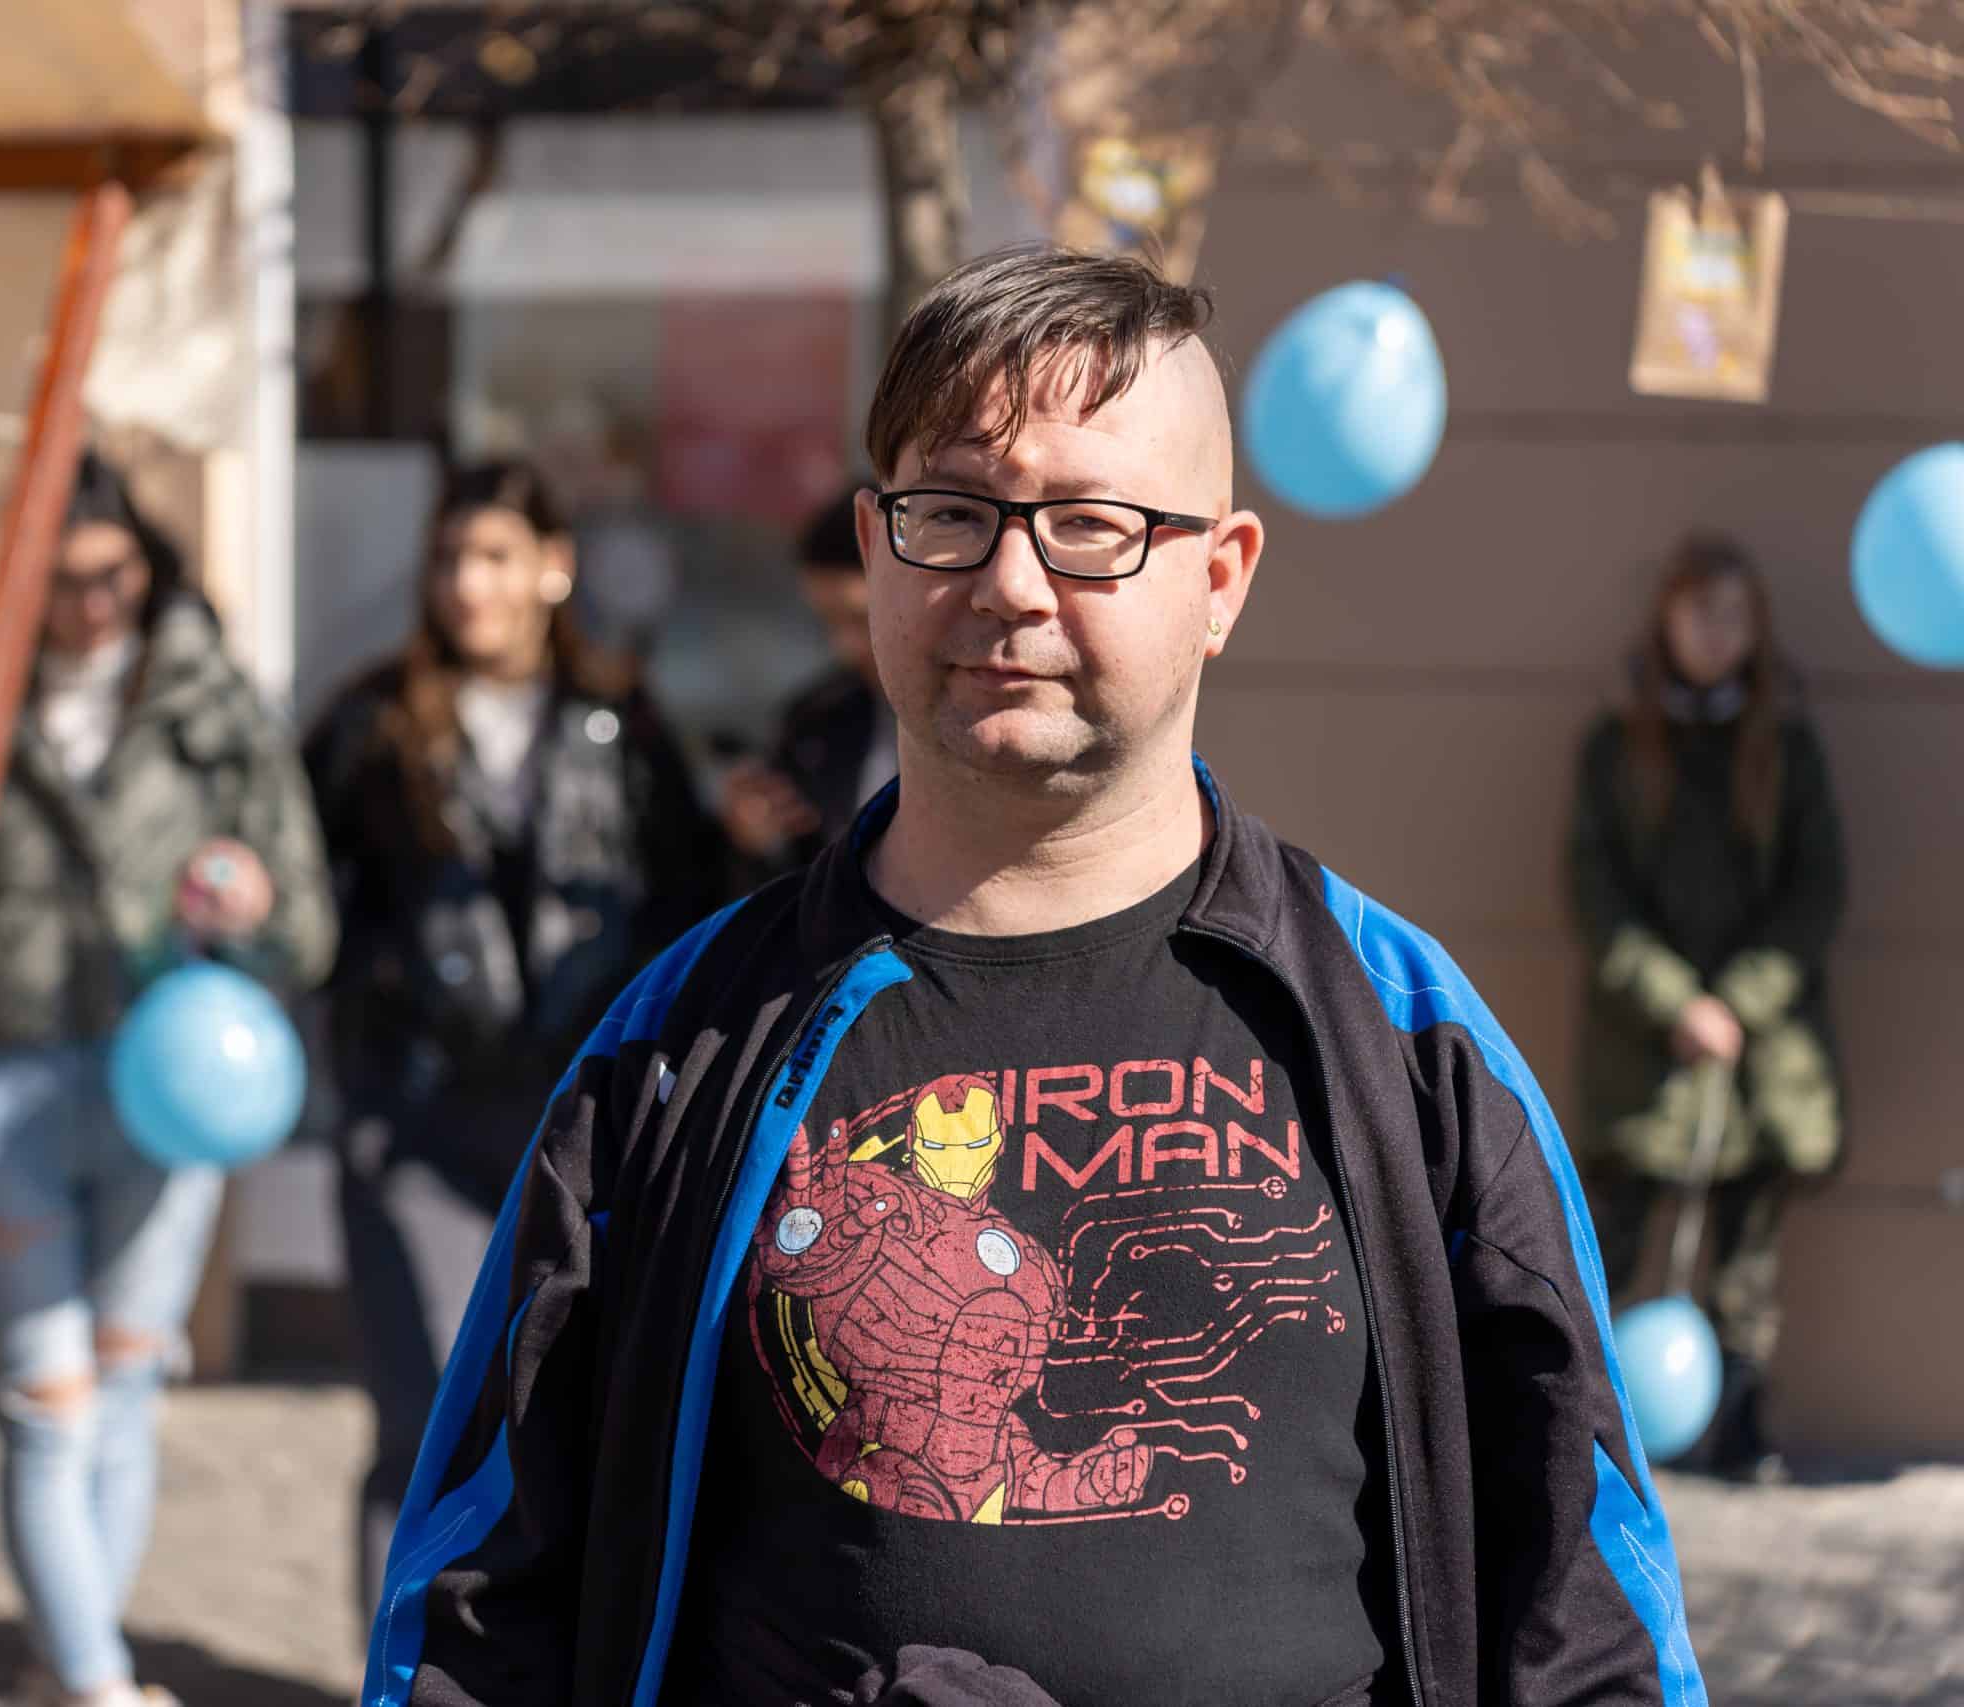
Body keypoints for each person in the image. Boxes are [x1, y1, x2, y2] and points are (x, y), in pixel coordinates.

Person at [359, 248, 1704, 1707]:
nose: (1008, 582)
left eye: (1089, 526)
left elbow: (1586, 1612)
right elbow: (478, 1610)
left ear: (1220, 579)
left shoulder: (1398, 1035)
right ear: (875, 544)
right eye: (952, 513)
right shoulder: (680, 1044)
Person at [0, 451, 336, 1707]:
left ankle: (64, 1669)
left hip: (169, 1084)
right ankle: (94, 1682)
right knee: (46, 1403)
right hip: (0, 1089)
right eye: (62, 581)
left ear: (146, 566)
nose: (90, 607)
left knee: (127, 1391)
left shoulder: (212, 705)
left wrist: (248, 909)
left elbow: (305, 928)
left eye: (113, 577)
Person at [302, 460, 727, 1623]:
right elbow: (311, 909)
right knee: (425, 1411)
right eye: (449, 558)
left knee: (570, 1410)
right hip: (416, 1118)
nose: (467, 584)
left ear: (553, 568)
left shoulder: (623, 721)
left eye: (493, 556)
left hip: (581, 1127)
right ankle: (394, 1669)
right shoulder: (370, 722)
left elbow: (685, 904)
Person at [1570, 532, 1845, 1482]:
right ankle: (1580, 1434)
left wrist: (1739, 1000)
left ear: (1757, 627)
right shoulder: (1616, 747)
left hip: (1763, 1057)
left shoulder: (1789, 749)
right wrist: (1674, 998)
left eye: (1734, 614)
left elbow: (1817, 893)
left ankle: (1740, 1430)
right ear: (1666, 618)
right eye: (1698, 611)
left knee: (1744, 1258)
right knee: (1604, 1247)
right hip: (1643, 1050)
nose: (1715, 633)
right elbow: (1594, 892)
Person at [718, 488, 899, 881]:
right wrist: (758, 841)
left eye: (859, 619)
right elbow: (789, 887)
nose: (844, 646)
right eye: (827, 622)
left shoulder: (988, 714)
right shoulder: (818, 720)